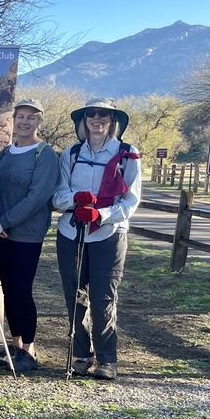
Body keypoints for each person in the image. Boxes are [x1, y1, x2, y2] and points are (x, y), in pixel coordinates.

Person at [52, 98, 141, 381]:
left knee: (103, 298)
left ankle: (107, 359)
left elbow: (131, 201)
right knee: (75, 296)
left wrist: (100, 214)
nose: (97, 118)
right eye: (92, 113)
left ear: (113, 120)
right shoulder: (71, 153)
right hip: (72, 232)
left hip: (109, 234)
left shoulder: (128, 154)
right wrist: (75, 202)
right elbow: (58, 194)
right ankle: (80, 354)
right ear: (84, 119)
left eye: (104, 114)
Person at [0, 98, 59, 373]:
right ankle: (15, 348)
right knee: (8, 289)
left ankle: (29, 348)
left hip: (26, 235)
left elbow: (37, 197)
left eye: (31, 117)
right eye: (21, 116)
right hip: (0, 233)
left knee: (21, 290)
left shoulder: (45, 155)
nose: (25, 122)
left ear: (39, 122)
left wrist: (3, 221)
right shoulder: (6, 152)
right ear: (13, 120)